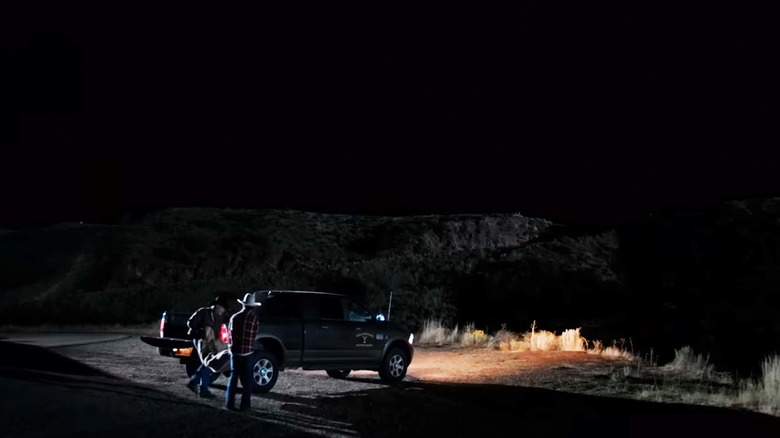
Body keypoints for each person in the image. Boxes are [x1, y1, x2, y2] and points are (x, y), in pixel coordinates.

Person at [186, 294, 231, 398]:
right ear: (217, 306)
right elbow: (190, 323)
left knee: (207, 363)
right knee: (207, 363)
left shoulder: (218, 317)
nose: (223, 311)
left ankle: (194, 383)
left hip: (210, 342)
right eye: (223, 308)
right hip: (200, 339)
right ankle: (202, 389)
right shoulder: (203, 312)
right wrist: (202, 330)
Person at [225, 292, 261, 411]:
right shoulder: (254, 319)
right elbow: (254, 335)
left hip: (234, 352)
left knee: (233, 377)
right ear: (253, 306)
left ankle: (229, 403)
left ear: (243, 305)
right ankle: (245, 406)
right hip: (246, 353)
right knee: (247, 381)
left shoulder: (234, 317)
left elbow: (229, 335)